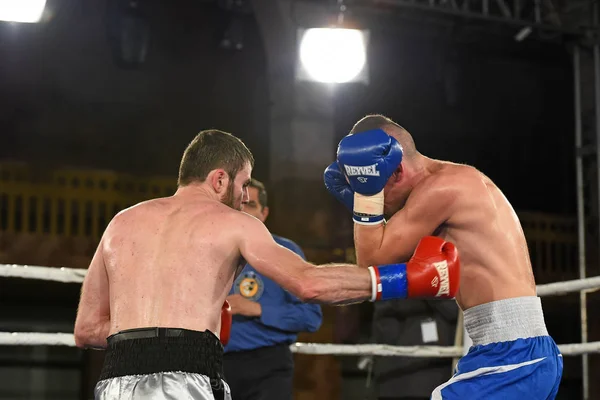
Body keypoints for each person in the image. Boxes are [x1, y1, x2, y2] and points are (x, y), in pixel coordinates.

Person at [73, 129, 460, 400]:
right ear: (219, 179)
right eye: (244, 185)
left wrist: (154, 327)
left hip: (116, 382)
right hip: (186, 379)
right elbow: (308, 285)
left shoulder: (121, 222)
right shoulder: (235, 223)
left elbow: (87, 330)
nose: (244, 197)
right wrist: (405, 279)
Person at [323, 114, 563, 399]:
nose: (381, 205)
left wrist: (364, 200)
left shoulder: (441, 189)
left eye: (377, 190)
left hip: (512, 355)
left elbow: (371, 264)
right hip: (513, 353)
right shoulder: (452, 182)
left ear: (396, 171)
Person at [223, 178, 322, 400]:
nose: (242, 210)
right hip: (213, 367)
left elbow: (311, 318)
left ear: (264, 213)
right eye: (237, 203)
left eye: (250, 204)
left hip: (268, 368)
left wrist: (257, 309)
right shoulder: (208, 252)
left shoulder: (285, 251)